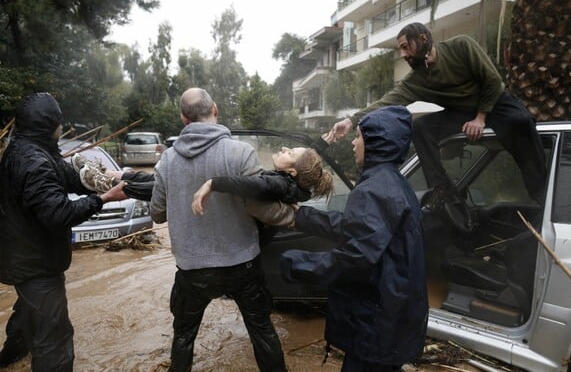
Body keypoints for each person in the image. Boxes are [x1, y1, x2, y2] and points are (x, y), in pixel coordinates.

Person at [324, 22, 546, 211]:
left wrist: (480, 118)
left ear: (422, 38)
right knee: (420, 128)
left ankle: (540, 193)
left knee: (521, 122)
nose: (403, 55)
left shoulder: (461, 45)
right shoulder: (417, 79)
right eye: (400, 49)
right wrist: (350, 121)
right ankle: (442, 192)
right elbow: (387, 101)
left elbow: (492, 80)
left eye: (405, 47)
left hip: (495, 101)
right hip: (459, 113)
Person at [149, 87, 289, 372]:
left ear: (183, 119)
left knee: (184, 337)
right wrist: (297, 214)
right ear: (216, 110)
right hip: (243, 266)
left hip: (192, 271)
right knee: (262, 331)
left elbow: (157, 214)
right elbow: (260, 209)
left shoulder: (167, 161)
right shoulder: (241, 152)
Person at [281, 105, 428, 371]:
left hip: (377, 321)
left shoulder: (374, 189)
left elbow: (356, 257)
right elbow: (358, 228)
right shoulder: (391, 181)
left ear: (376, 142)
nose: (353, 143)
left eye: (358, 136)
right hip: (393, 314)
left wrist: (298, 263)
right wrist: (303, 216)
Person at [0, 93, 128, 371]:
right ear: (50, 124)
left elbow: (66, 176)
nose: (61, 125)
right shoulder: (33, 162)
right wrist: (104, 199)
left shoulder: (28, 147)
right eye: (59, 120)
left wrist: (101, 180)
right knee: (55, 342)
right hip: (37, 267)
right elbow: (59, 215)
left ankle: (9, 357)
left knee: (27, 317)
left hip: (23, 259)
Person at [191, 146, 334, 216]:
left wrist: (213, 183)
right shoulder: (292, 186)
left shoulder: (280, 184)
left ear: (292, 171)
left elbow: (253, 185)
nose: (284, 148)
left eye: (290, 153)